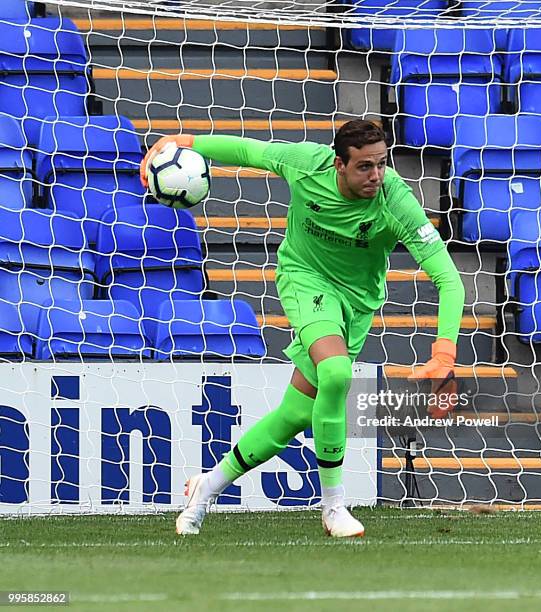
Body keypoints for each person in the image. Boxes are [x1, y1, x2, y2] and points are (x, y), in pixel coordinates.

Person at [140, 120, 465, 537]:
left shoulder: (395, 200)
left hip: (357, 302)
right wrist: (185, 141)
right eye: (365, 167)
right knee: (337, 373)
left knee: (294, 414)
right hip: (304, 279)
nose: (376, 176)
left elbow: (449, 279)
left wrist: (444, 355)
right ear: (339, 165)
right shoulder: (306, 164)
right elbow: (247, 151)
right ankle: (333, 507)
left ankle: (207, 486)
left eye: (382, 164)